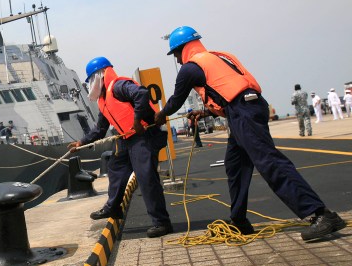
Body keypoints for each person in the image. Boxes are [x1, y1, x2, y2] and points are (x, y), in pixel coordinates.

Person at [154, 26, 346, 241]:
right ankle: (239, 221)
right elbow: (230, 89)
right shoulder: (219, 57)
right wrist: (206, 111)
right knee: (235, 165)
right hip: (248, 107)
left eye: (177, 54)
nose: (178, 60)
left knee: (269, 162)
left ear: (183, 48)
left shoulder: (190, 68)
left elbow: (175, 100)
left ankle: (320, 214)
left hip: (243, 112)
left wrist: (160, 115)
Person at [68, 56, 173, 238]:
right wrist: (81, 143)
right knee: (116, 170)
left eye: (91, 79)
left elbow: (141, 94)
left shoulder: (118, 86)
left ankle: (161, 222)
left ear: (100, 75)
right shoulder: (105, 100)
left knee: (146, 177)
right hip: (127, 139)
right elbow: (100, 128)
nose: (90, 84)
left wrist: (136, 120)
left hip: (144, 135)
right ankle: (113, 208)